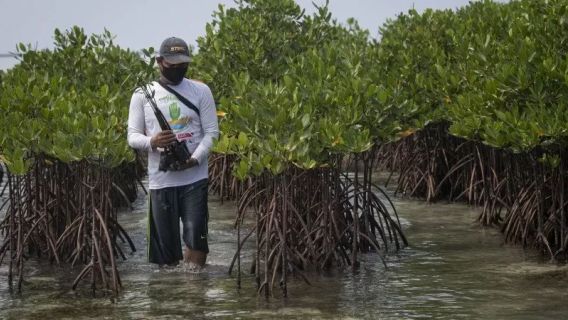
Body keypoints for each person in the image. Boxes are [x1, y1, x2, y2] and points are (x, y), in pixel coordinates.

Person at [127, 37, 219, 270]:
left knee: (196, 240)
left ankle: (194, 295)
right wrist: (153, 142)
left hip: (195, 178)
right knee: (166, 255)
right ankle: (172, 301)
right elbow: (132, 136)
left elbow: (211, 133)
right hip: (161, 181)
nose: (178, 68)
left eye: (183, 64)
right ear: (159, 61)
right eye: (172, 64)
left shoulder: (201, 90)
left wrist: (194, 159)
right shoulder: (142, 94)